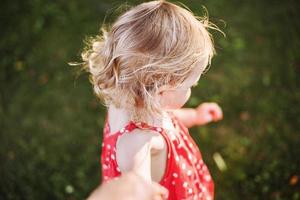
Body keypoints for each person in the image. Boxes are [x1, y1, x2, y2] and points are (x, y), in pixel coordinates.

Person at [79, 0, 223, 199]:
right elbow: (136, 186)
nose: (192, 89)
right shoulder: (137, 142)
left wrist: (195, 115)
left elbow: (168, 118)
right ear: (161, 94)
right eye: (191, 86)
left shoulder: (128, 98)